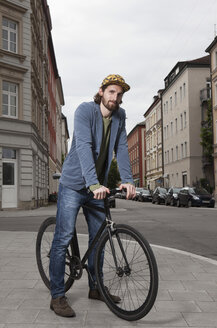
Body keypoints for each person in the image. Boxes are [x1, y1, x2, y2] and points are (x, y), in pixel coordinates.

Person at [49, 74, 136, 317]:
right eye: (111, 92)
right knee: (63, 237)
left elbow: (121, 148)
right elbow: (84, 147)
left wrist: (127, 180)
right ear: (101, 91)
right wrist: (93, 183)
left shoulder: (119, 116)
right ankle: (57, 295)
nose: (115, 98)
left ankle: (96, 288)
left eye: (119, 95)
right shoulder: (85, 111)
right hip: (76, 184)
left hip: (97, 187)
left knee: (99, 240)